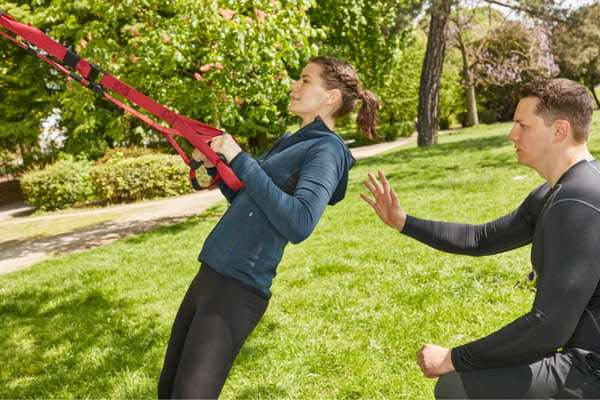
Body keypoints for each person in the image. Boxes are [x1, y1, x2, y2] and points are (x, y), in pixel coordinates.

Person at [361, 78, 600, 398]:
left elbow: (548, 326)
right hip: (578, 357)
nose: (512, 134)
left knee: (456, 387)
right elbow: (481, 239)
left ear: (559, 131)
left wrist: (453, 358)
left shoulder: (578, 201)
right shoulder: (555, 192)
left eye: (522, 125)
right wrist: (403, 222)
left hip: (589, 371)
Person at [157, 56, 380, 398]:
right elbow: (252, 199)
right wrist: (216, 167)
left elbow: (299, 222)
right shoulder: (293, 140)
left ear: (331, 97)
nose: (294, 85)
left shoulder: (327, 150)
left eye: (305, 80)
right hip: (211, 273)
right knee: (169, 389)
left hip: (238, 288)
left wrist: (240, 158)